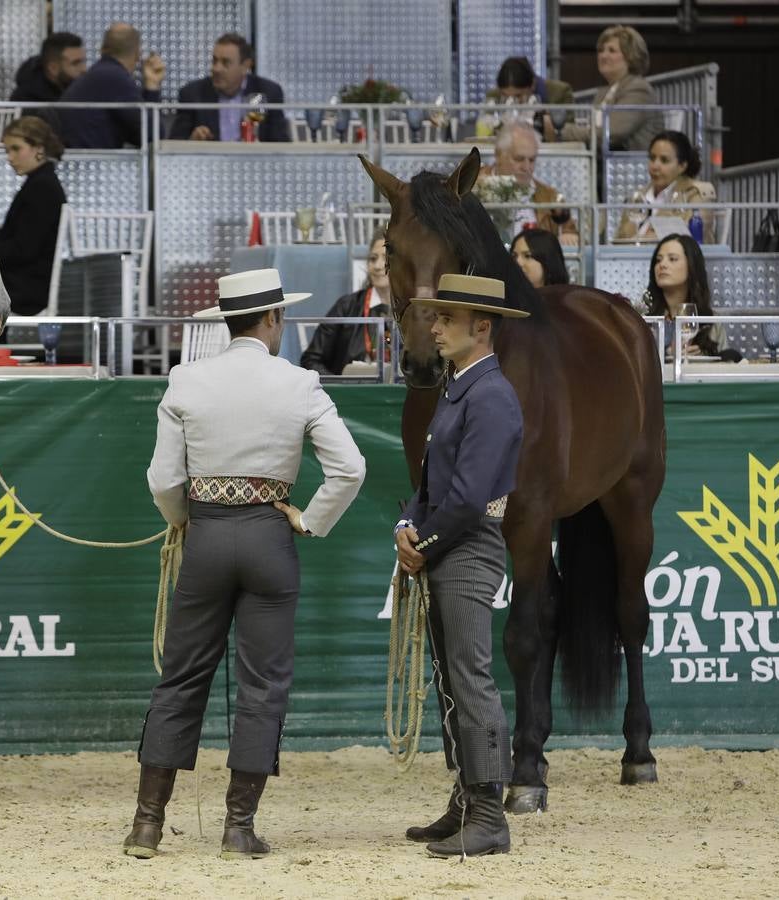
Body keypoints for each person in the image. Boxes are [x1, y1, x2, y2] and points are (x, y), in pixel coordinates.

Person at [126, 268, 365, 861]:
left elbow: (162, 478)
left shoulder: (185, 379)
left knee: (180, 678)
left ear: (227, 322)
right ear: (274, 319)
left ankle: (147, 825)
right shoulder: (301, 382)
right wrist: (308, 519)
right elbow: (350, 469)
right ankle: (238, 827)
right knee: (263, 685)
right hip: (268, 537)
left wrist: (182, 519)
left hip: (205, 535)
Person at [393, 274, 525, 860]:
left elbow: (469, 498)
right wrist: (406, 527)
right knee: (453, 678)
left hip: (469, 547)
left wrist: (423, 541)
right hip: (452, 544)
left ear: (482, 327)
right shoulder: (461, 389)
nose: (435, 327)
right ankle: (469, 802)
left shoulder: (490, 395)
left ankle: (489, 812)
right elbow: (431, 484)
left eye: (447, 319)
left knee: (468, 677)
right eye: (436, 317)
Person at [0, 116, 67, 317]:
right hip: (24, 280)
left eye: (16, 149)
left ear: (38, 149)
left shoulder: (42, 187)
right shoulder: (39, 183)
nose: (10, 157)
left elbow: (24, 248)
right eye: (7, 151)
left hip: (26, 287)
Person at [553, 25, 661, 152]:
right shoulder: (603, 93)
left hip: (628, 166)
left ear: (631, 57)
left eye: (611, 51)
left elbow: (611, 133)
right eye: (601, 50)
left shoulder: (638, 89)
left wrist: (560, 132)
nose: (603, 56)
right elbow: (594, 133)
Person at [59, 22, 165, 149]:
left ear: (102, 49)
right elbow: (153, 136)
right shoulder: (114, 78)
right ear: (138, 53)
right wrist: (152, 87)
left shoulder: (101, 75)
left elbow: (139, 134)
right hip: (93, 162)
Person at [300, 229, 391, 374]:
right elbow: (310, 360)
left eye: (385, 258)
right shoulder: (346, 306)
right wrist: (342, 387)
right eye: (373, 258)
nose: (378, 266)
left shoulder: (413, 311)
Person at [168, 33, 289, 143]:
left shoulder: (265, 91)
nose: (216, 68)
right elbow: (174, 144)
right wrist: (192, 140)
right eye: (214, 61)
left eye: (226, 63)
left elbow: (280, 144)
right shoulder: (193, 94)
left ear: (245, 66)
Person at [477, 121, 578, 245]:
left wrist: (569, 234)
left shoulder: (549, 197)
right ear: (498, 155)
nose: (526, 167)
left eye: (532, 160)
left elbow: (569, 229)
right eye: (519, 159)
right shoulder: (472, 189)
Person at [615, 131, 716, 243]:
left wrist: (641, 241)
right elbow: (618, 240)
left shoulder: (696, 194)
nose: (655, 166)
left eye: (664, 160)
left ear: (682, 166)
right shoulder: (637, 197)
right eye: (652, 158)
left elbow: (688, 238)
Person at [644, 233, 729, 358]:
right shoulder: (644, 318)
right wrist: (666, 354)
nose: (662, 265)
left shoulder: (711, 321)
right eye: (658, 260)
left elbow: (724, 367)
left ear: (691, 266)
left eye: (672, 259)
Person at [11, 32, 87, 103]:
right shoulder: (27, 100)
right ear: (53, 68)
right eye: (75, 63)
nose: (84, 69)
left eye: (83, 61)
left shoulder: (79, 90)